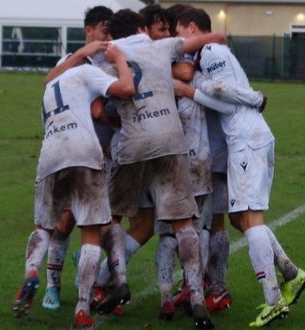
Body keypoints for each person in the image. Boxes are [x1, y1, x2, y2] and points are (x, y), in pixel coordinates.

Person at [175, 8, 305, 327]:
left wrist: (251, 97)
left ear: (193, 27)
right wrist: (192, 90)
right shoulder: (211, 54)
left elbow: (224, 92)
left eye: (181, 33)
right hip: (244, 137)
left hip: (247, 137)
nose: (179, 42)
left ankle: (273, 299)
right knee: (239, 218)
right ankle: (291, 273)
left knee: (250, 218)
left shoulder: (209, 50)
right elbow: (222, 100)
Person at [92, 8, 226, 329]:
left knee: (112, 215)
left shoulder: (108, 55)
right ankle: (196, 299)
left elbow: (98, 104)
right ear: (142, 27)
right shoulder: (162, 46)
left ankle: (119, 280)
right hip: (171, 137)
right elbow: (217, 37)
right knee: (183, 222)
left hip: (134, 139)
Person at [13, 42, 135, 328]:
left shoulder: (51, 86)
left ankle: (32, 273)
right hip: (83, 151)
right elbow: (125, 90)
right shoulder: (87, 74)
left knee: (44, 226)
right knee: (91, 232)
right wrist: (119, 61)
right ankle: (82, 308)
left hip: (50, 155)